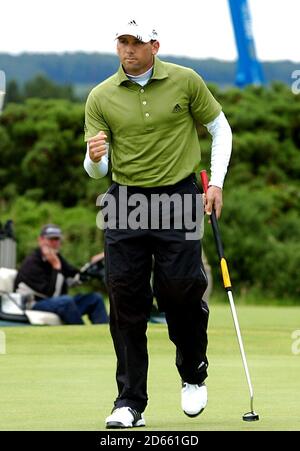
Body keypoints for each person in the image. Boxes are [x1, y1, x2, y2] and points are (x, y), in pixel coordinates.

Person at [84, 19, 232, 428]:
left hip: (180, 196)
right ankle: (129, 402)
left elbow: (220, 128)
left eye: (137, 42)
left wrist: (215, 182)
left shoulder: (185, 81)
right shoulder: (100, 96)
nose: (129, 49)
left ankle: (192, 371)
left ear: (154, 45)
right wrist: (96, 157)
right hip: (126, 200)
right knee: (126, 299)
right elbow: (97, 170)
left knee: (180, 290)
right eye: (123, 42)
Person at [14, 224, 109, 325]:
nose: (55, 243)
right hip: (35, 303)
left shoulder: (56, 256)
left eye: (57, 239)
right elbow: (52, 294)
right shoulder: (32, 262)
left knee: (95, 298)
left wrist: (93, 263)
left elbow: (75, 274)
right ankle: (82, 334)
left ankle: (102, 334)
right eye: (51, 239)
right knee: (65, 301)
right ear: (40, 240)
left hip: (56, 302)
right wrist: (56, 266)